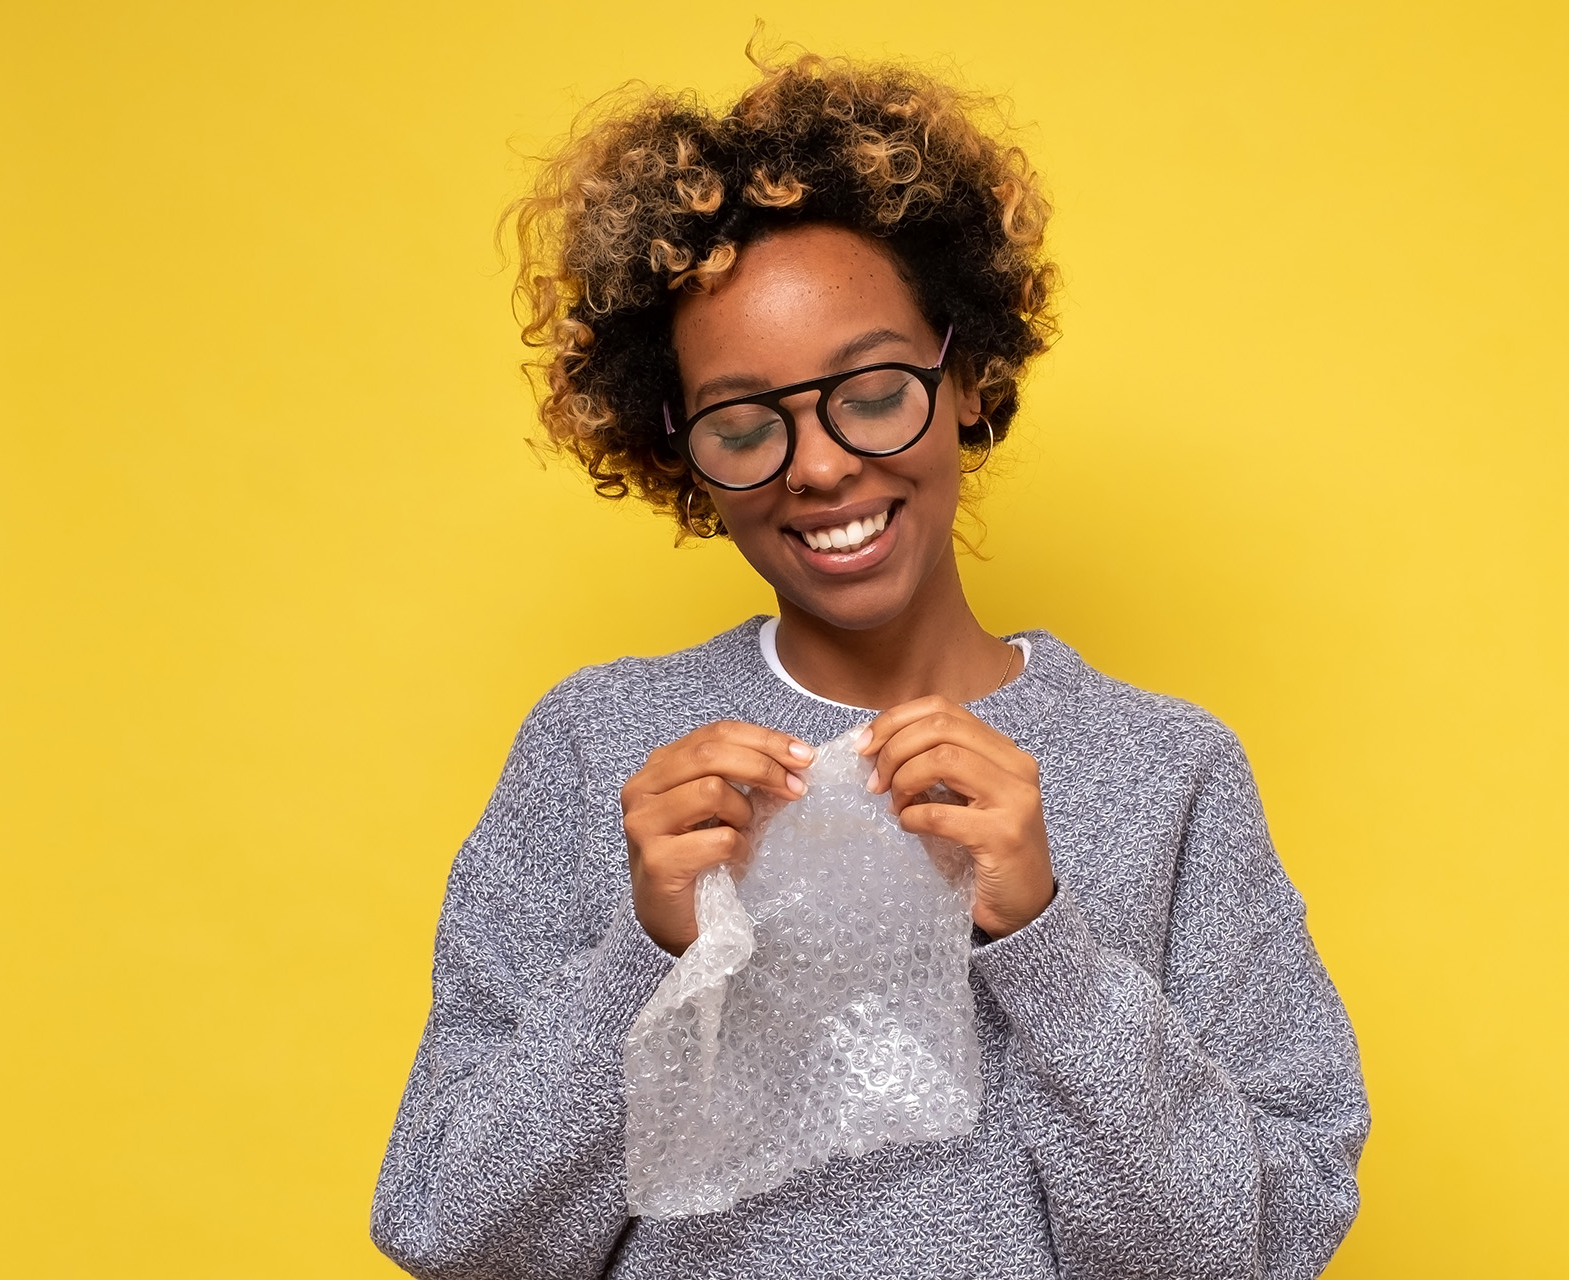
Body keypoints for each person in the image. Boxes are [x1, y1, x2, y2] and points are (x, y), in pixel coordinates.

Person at [371, 50, 1368, 1280]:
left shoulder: (1169, 772)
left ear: (966, 376)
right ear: (681, 451)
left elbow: (1254, 1250)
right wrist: (651, 951)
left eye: (874, 391)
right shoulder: (596, 747)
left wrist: (1046, 943)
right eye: (745, 424)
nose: (822, 466)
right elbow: (450, 1232)